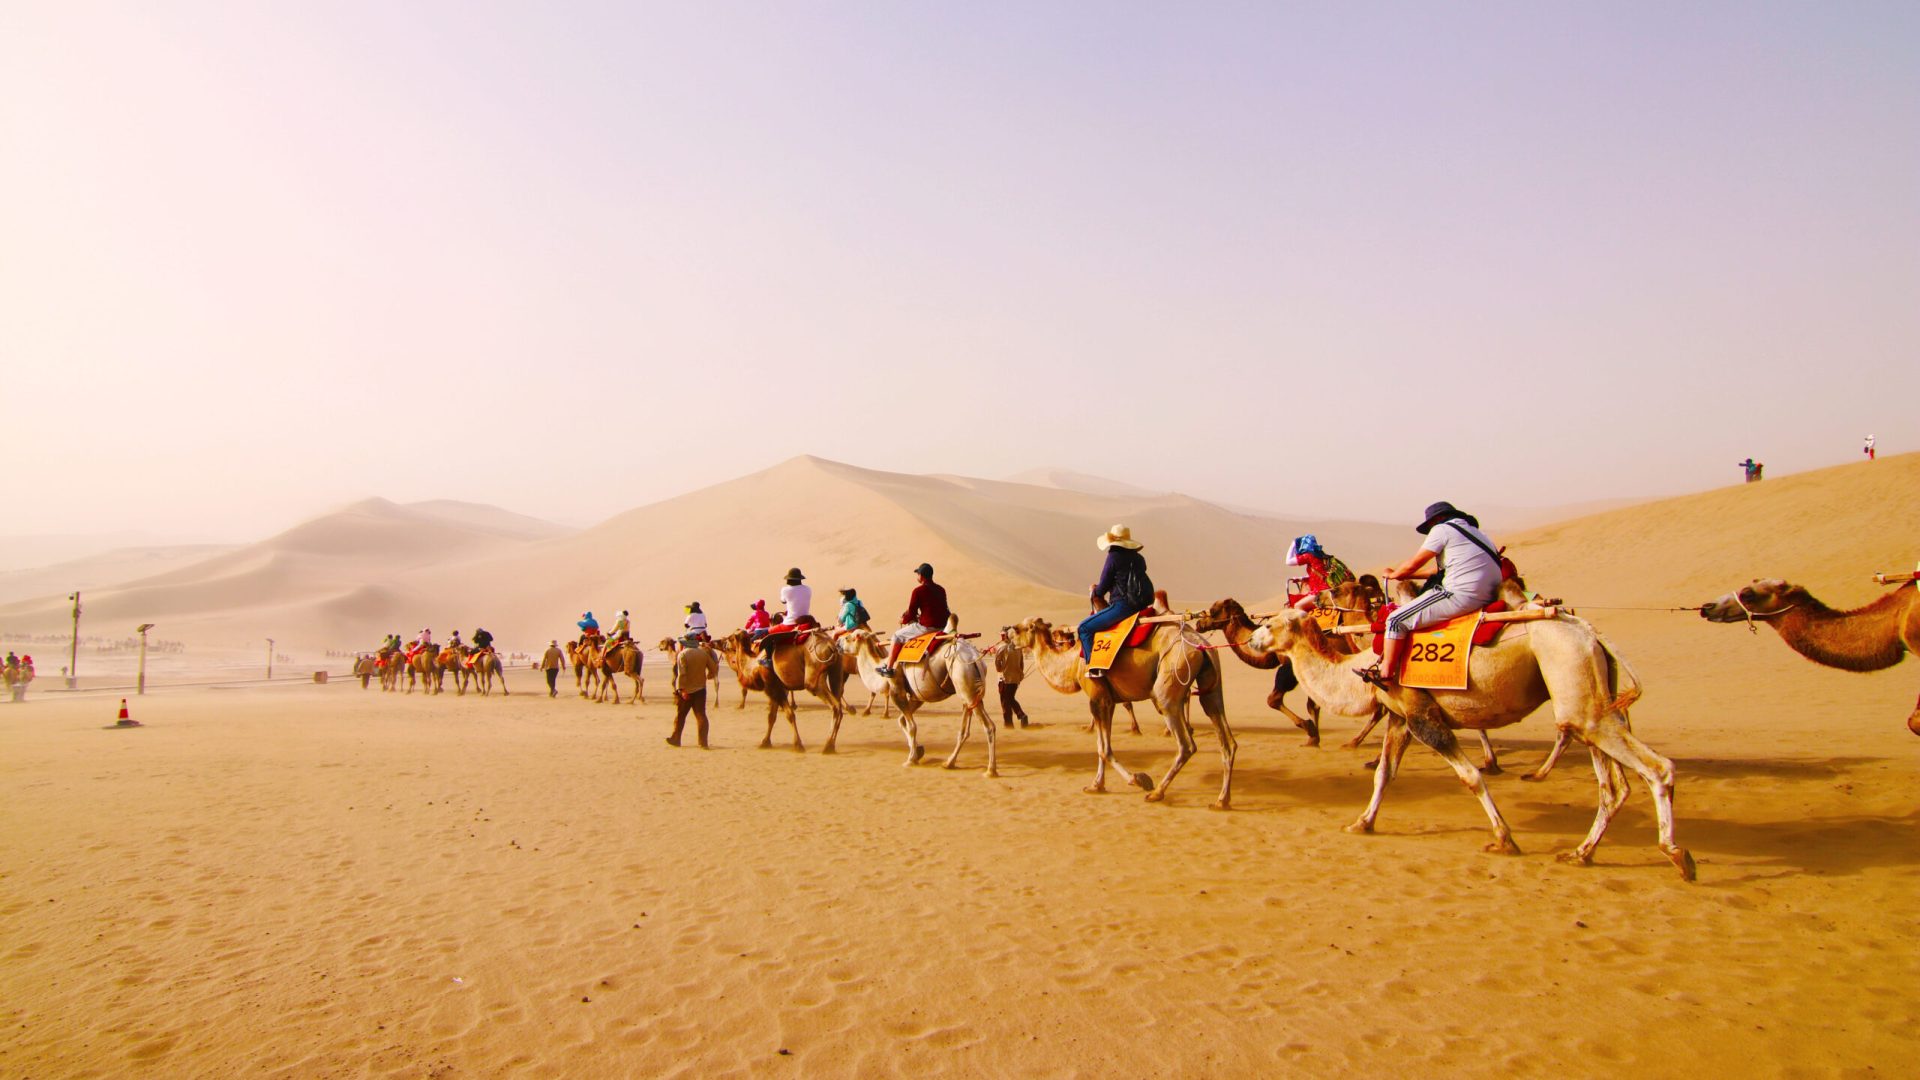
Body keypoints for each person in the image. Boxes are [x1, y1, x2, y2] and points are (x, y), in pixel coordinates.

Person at [1360, 501, 1503, 688]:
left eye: (1429, 526)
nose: (1430, 530)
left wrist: (1394, 574)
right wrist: (1403, 575)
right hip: (1489, 593)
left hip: (1460, 593)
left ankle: (1385, 672)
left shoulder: (1442, 529)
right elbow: (1436, 570)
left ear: (1438, 519)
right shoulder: (1479, 534)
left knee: (1395, 620)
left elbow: (1415, 563)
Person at [1078, 525, 1154, 675]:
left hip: (1123, 606)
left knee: (1084, 628)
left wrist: (1095, 590)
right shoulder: (1139, 558)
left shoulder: (1113, 557)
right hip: (1141, 605)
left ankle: (1094, 667)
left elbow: (1103, 587)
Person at [878, 563, 950, 677]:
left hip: (927, 627)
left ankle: (889, 668)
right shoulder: (941, 589)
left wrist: (903, 620)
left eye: (918, 574)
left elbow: (911, 613)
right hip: (943, 626)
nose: (917, 576)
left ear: (921, 576)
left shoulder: (918, 591)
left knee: (897, 636)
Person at [668, 633, 716, 748]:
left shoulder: (683, 654)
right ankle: (703, 742)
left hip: (687, 690)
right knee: (701, 715)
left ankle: (676, 739)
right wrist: (710, 675)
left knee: (681, 715)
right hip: (701, 689)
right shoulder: (703, 653)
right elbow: (713, 667)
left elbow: (682, 674)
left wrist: (682, 690)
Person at [1286, 534, 1355, 610]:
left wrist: (1293, 544)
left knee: (1298, 606)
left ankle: (1308, 622)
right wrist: (1303, 578)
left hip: (1320, 592)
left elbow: (1288, 562)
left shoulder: (1309, 556)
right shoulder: (1321, 555)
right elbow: (1321, 573)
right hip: (1327, 589)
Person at [994, 629, 1029, 728]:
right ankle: (1014, 720)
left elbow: (997, 663)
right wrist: (1020, 674)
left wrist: (1000, 670)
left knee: (1005, 701)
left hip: (1004, 679)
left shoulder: (1002, 648)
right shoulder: (1018, 648)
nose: (1001, 637)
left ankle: (1015, 719)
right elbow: (1021, 663)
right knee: (1010, 698)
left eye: (1003, 635)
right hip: (1015, 679)